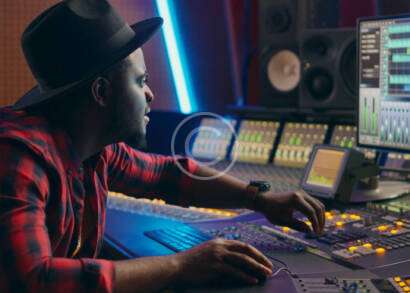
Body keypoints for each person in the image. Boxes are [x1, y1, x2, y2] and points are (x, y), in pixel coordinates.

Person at [0, 0, 325, 292]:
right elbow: (34, 280)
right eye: (140, 81)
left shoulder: (91, 149)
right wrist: (181, 266)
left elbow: (167, 175)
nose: (150, 95)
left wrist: (260, 199)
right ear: (100, 92)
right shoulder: (19, 157)